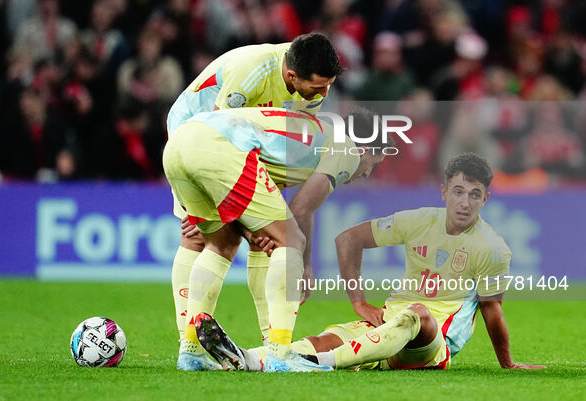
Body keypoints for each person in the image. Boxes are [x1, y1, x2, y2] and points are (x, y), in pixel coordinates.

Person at [194, 153, 546, 372]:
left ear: (486, 198)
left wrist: (508, 362)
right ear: (443, 192)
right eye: (458, 191)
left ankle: (318, 367)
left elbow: (492, 310)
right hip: (386, 328)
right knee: (323, 337)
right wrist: (359, 301)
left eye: (474, 194)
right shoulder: (420, 220)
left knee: (418, 313)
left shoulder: (493, 248)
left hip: (430, 345)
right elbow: (349, 239)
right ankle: (249, 358)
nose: (465, 202)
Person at [163, 106, 388, 371]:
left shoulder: (305, 139)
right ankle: (280, 355)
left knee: (220, 245)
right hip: (219, 149)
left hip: (181, 142)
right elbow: (301, 209)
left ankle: (192, 352)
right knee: (292, 241)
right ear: (364, 150)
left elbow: (277, 206)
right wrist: (304, 265)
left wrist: (257, 232)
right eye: (375, 163)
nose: (367, 174)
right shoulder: (347, 149)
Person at [166, 33, 343, 349]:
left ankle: (262, 339)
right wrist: (243, 222)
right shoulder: (252, 69)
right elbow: (218, 131)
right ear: (291, 76)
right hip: (194, 132)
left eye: (328, 85)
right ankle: (190, 340)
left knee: (268, 238)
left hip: (247, 144)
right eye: (319, 87)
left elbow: (286, 147)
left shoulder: (312, 91)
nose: (324, 94)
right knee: (199, 235)